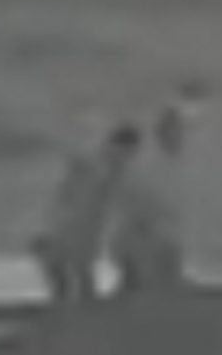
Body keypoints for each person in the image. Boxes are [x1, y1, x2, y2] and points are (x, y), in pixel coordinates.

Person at [34, 123, 143, 306]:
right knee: (70, 269)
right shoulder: (98, 165)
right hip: (72, 226)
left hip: (81, 227)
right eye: (129, 152)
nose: (129, 158)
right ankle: (69, 306)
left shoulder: (111, 167)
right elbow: (70, 193)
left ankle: (73, 306)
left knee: (77, 270)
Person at [110, 103, 192, 297]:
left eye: (177, 131)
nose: (174, 136)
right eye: (167, 130)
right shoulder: (142, 168)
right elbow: (130, 205)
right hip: (149, 240)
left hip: (167, 241)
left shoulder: (186, 165)